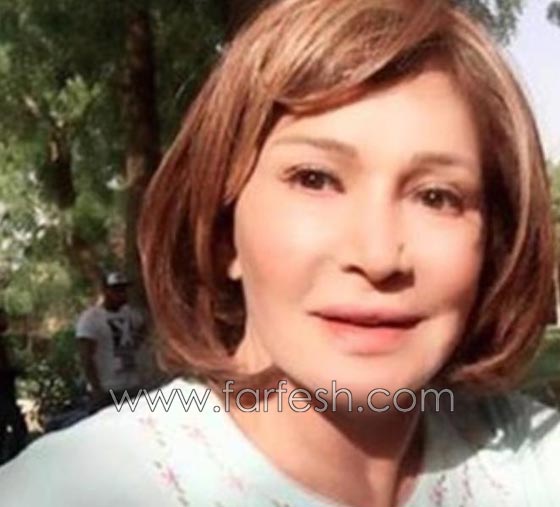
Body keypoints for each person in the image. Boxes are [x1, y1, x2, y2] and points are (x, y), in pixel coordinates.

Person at [0, 1, 559, 505]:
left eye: (436, 196)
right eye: (315, 179)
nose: (378, 256)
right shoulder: (67, 490)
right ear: (222, 230)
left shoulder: (535, 465)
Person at [75, 271, 145, 413]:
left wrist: (137, 344)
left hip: (132, 385)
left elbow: (144, 327)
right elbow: (85, 356)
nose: (122, 294)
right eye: (117, 290)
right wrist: (97, 389)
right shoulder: (91, 318)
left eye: (124, 289)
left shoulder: (130, 314)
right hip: (107, 388)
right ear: (106, 291)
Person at [0, 308, 28, 464]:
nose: (6, 321)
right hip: (3, 396)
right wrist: (12, 371)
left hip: (7, 395)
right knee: (18, 430)